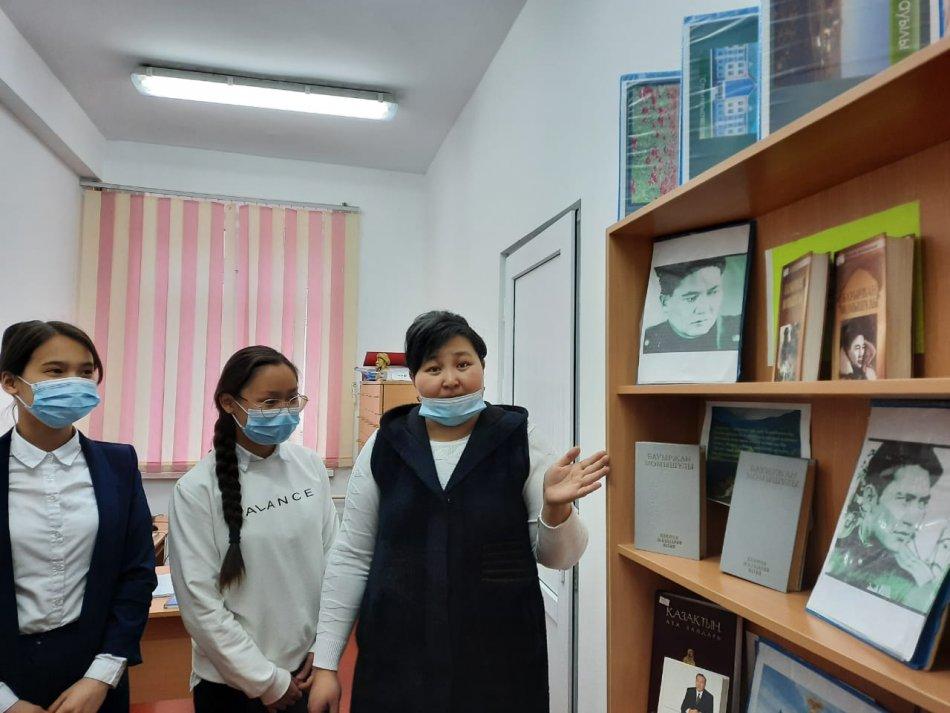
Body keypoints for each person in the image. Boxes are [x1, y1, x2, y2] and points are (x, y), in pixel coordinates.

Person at [307, 311, 609, 713]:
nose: (450, 379)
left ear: (482, 367)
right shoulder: (386, 444)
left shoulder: (519, 438)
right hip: (397, 657)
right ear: (414, 378)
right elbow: (352, 556)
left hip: (498, 661)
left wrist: (556, 509)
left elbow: (561, 557)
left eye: (463, 364)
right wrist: (327, 663)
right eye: (433, 368)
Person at [168, 346, 339, 712]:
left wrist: (323, 648)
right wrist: (266, 681)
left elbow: (333, 564)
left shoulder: (310, 466)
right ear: (229, 403)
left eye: (292, 399)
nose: (285, 411)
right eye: (269, 402)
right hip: (233, 685)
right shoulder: (196, 489)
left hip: (307, 671)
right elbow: (200, 605)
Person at [0, 320, 156, 713]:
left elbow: (136, 575)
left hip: (97, 672)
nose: (75, 382)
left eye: (86, 372)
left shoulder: (119, 464)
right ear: (11, 382)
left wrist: (102, 675)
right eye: (56, 371)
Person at [828, 441, 944, 612]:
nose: (913, 519)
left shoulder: (915, 579)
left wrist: (923, 588)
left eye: (922, 503)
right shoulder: (836, 549)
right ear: (869, 497)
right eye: (904, 499)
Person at [643, 257, 741, 353]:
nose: (703, 309)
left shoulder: (738, 329)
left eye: (713, 292)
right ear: (665, 303)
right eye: (690, 298)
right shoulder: (650, 340)